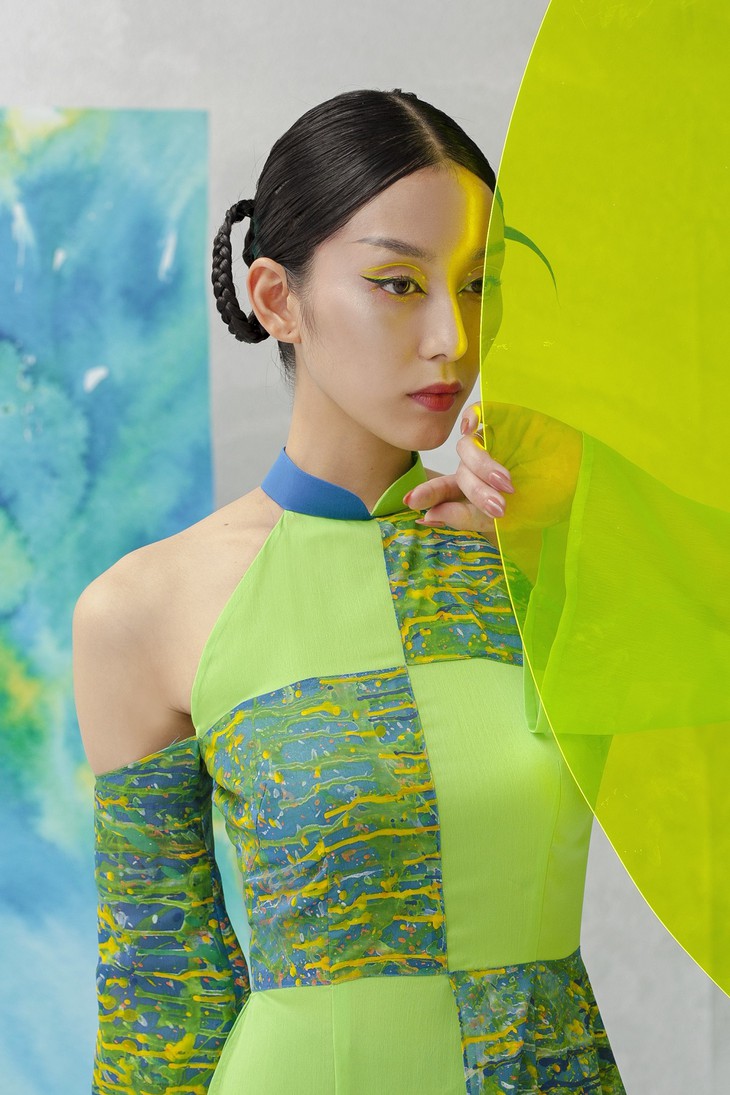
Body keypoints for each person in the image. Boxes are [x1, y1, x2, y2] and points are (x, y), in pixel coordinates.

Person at [73, 88, 626, 1095]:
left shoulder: (541, 557)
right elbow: (161, 996)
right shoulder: (144, 609)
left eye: (477, 284)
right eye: (397, 283)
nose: (453, 338)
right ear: (276, 298)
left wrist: (593, 508)